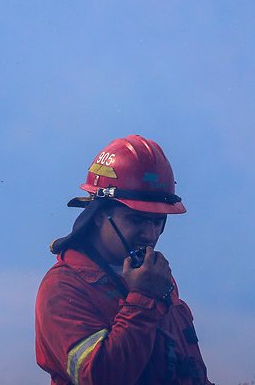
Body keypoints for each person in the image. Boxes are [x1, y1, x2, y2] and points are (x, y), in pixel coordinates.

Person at [35, 135, 214, 385]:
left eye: (158, 221)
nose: (150, 234)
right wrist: (143, 299)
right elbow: (100, 378)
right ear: (99, 216)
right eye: (137, 220)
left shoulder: (155, 278)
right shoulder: (63, 287)